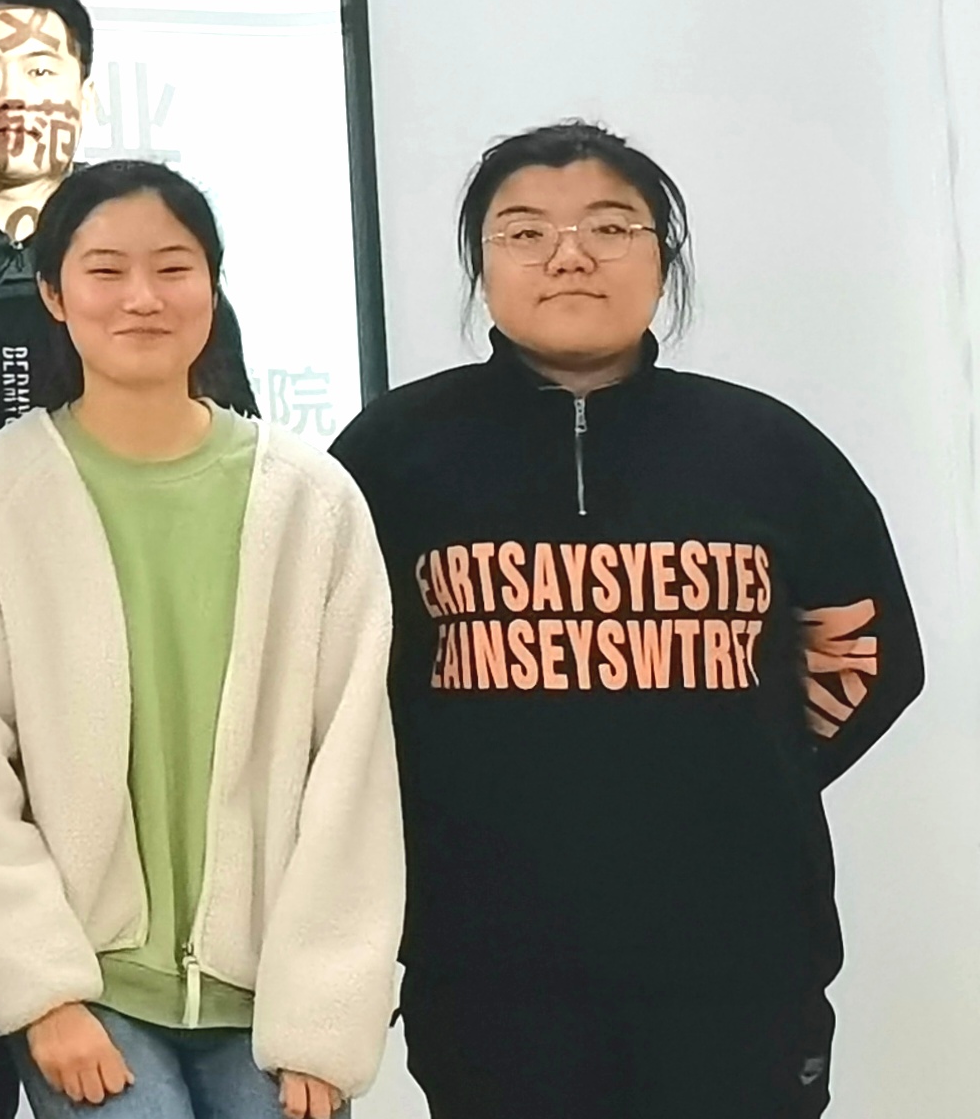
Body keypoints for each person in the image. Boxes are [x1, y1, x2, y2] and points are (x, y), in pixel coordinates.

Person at [335, 125, 917, 1119]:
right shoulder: (392, 452)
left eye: (609, 226)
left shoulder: (766, 449)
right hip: (487, 973)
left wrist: (730, 764)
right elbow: (333, 686)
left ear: (662, 258)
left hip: (738, 972)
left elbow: (874, 658)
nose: (569, 255)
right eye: (525, 231)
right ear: (481, 264)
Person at [0, 162, 395, 1119]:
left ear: (213, 289)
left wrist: (325, 1019)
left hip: (271, 993)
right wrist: (42, 992)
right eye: (105, 270)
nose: (141, 297)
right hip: (90, 983)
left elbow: (353, 775)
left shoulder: (309, 499)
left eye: (174, 268)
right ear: (53, 294)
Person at [0, 0, 251, 479]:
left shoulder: (157, 274)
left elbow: (230, 452)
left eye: (41, 70)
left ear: (86, 97)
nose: (12, 97)